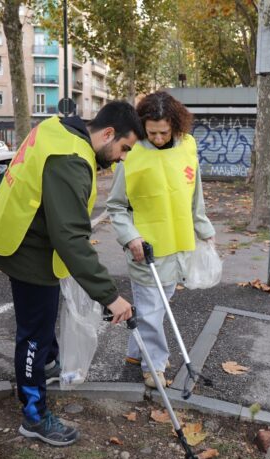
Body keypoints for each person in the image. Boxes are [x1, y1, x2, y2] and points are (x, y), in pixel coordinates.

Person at [0, 101, 144, 446]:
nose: (123, 157)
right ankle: (34, 415)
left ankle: (47, 364)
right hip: (25, 250)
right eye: (124, 148)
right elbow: (70, 238)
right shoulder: (71, 160)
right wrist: (110, 296)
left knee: (43, 323)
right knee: (34, 334)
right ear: (108, 134)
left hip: (18, 233)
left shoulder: (58, 128)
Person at [107, 91, 215, 388]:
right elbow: (116, 206)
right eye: (151, 132)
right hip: (145, 250)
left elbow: (196, 195)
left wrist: (204, 230)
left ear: (176, 126)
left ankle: (134, 352)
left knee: (156, 305)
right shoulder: (132, 154)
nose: (156, 138)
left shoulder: (187, 146)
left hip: (178, 245)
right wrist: (131, 238)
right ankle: (153, 366)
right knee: (153, 310)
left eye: (163, 132)